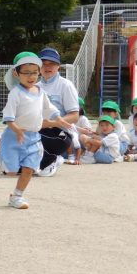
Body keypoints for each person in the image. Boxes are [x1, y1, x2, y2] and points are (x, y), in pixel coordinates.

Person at [0, 52, 69, 209]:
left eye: (35, 72)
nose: (31, 77)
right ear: (16, 73)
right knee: (10, 172)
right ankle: (0, 158)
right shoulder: (15, 93)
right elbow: (8, 117)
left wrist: (58, 117)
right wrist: (16, 130)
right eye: (26, 73)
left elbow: (48, 107)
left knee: (29, 169)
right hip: (14, 136)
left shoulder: (40, 91)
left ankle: (17, 195)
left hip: (33, 137)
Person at [35, 47, 80, 177]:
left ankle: (52, 158)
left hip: (61, 134)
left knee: (33, 139)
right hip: (40, 129)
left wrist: (51, 123)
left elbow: (74, 116)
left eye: (52, 63)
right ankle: (49, 159)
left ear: (58, 67)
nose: (47, 67)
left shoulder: (65, 85)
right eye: (43, 63)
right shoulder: (36, 87)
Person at [66, 98, 91, 164]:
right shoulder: (67, 117)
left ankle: (78, 156)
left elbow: (87, 131)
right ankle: (71, 155)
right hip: (71, 143)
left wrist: (73, 127)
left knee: (77, 138)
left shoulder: (83, 118)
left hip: (80, 142)